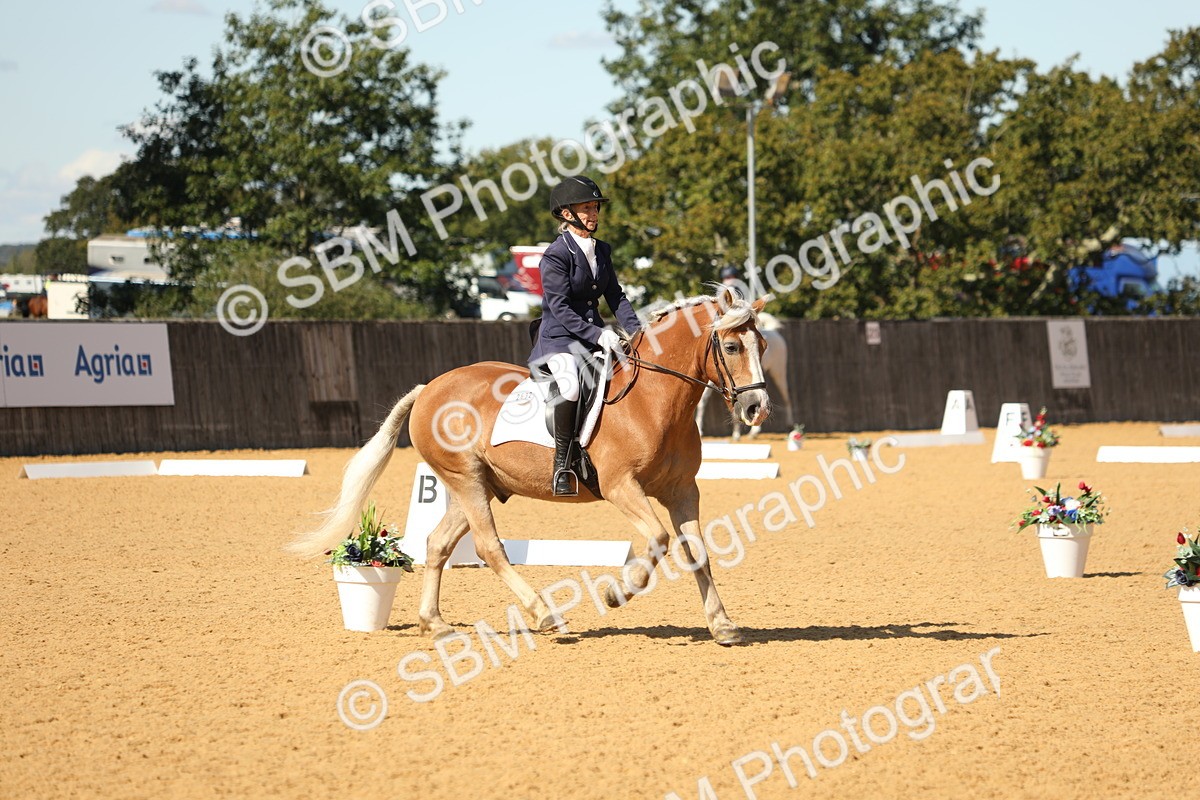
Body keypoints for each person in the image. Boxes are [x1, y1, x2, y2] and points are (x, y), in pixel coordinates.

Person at [529, 176, 642, 496]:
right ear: (567, 214)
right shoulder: (555, 255)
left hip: (593, 340)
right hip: (559, 340)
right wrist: (597, 333)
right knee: (572, 386)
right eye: (586, 208)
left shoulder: (602, 250)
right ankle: (563, 464)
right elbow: (560, 307)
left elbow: (616, 297)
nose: (594, 213)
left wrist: (637, 332)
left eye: (595, 207)